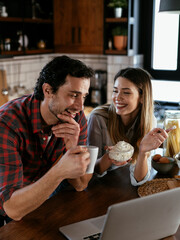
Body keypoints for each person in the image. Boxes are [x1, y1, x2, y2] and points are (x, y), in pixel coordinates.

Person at [0, 55, 94, 224]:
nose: (80, 106)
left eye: (84, 96)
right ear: (48, 91)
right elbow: (12, 209)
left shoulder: (76, 118)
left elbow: (81, 185)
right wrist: (60, 171)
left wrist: (72, 148)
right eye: (74, 95)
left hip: (43, 205)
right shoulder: (7, 124)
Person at [87, 67, 169, 186]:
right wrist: (110, 157)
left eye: (126, 92)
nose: (117, 98)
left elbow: (139, 180)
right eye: (115, 91)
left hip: (123, 185)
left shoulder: (150, 121)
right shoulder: (98, 118)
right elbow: (91, 170)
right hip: (98, 186)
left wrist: (143, 152)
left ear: (142, 97)